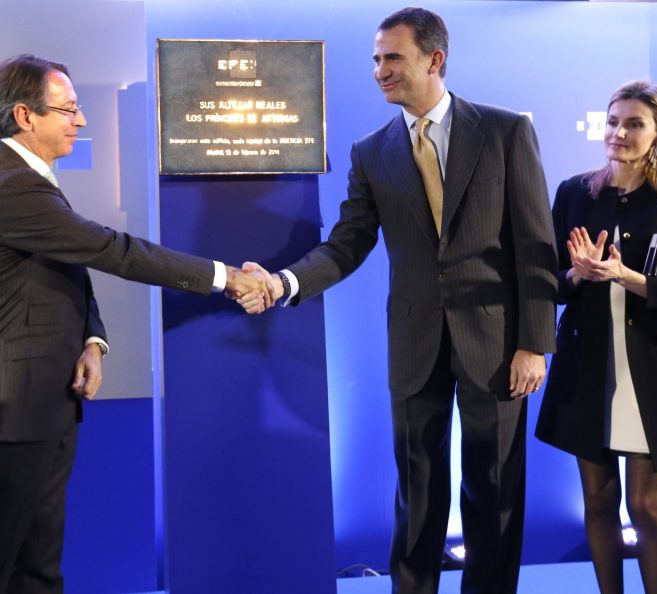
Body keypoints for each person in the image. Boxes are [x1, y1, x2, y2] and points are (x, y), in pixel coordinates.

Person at [238, 7, 557, 593]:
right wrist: (285, 283)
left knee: (494, 490)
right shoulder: (372, 151)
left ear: (435, 59)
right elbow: (347, 243)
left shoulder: (505, 131)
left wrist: (534, 343)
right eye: (376, 59)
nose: (380, 70)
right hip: (414, 344)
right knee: (417, 492)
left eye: (393, 58)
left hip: (497, 343)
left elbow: (536, 243)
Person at [0, 54, 268, 594]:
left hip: (42, 402)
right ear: (25, 115)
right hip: (13, 408)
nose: (81, 120)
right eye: (68, 109)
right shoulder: (11, 187)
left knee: (37, 570)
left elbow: (67, 265)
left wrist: (92, 340)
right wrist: (224, 277)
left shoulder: (24, 180)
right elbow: (110, 250)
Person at [535, 81, 657, 594]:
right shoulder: (574, 192)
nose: (618, 132)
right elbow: (550, 283)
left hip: (652, 367)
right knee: (598, 501)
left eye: (634, 124)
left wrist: (626, 276)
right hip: (588, 364)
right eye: (613, 121)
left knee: (646, 506)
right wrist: (577, 274)